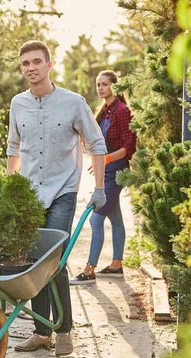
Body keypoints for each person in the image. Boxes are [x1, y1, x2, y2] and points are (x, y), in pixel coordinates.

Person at [6, 40, 108, 356]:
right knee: (37, 262)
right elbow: (12, 148)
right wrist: (12, 189)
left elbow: (98, 145)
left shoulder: (73, 102)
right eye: (25, 63)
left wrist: (100, 188)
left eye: (37, 61)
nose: (31, 67)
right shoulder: (17, 104)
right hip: (30, 195)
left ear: (49, 65)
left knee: (55, 260)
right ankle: (41, 332)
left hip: (63, 192)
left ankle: (63, 331)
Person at [70, 70, 137, 284]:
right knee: (115, 218)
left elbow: (129, 148)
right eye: (98, 84)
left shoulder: (123, 111)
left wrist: (106, 160)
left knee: (96, 218)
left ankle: (89, 270)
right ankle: (117, 264)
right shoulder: (105, 111)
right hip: (107, 170)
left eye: (105, 84)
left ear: (114, 87)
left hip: (117, 171)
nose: (100, 88)